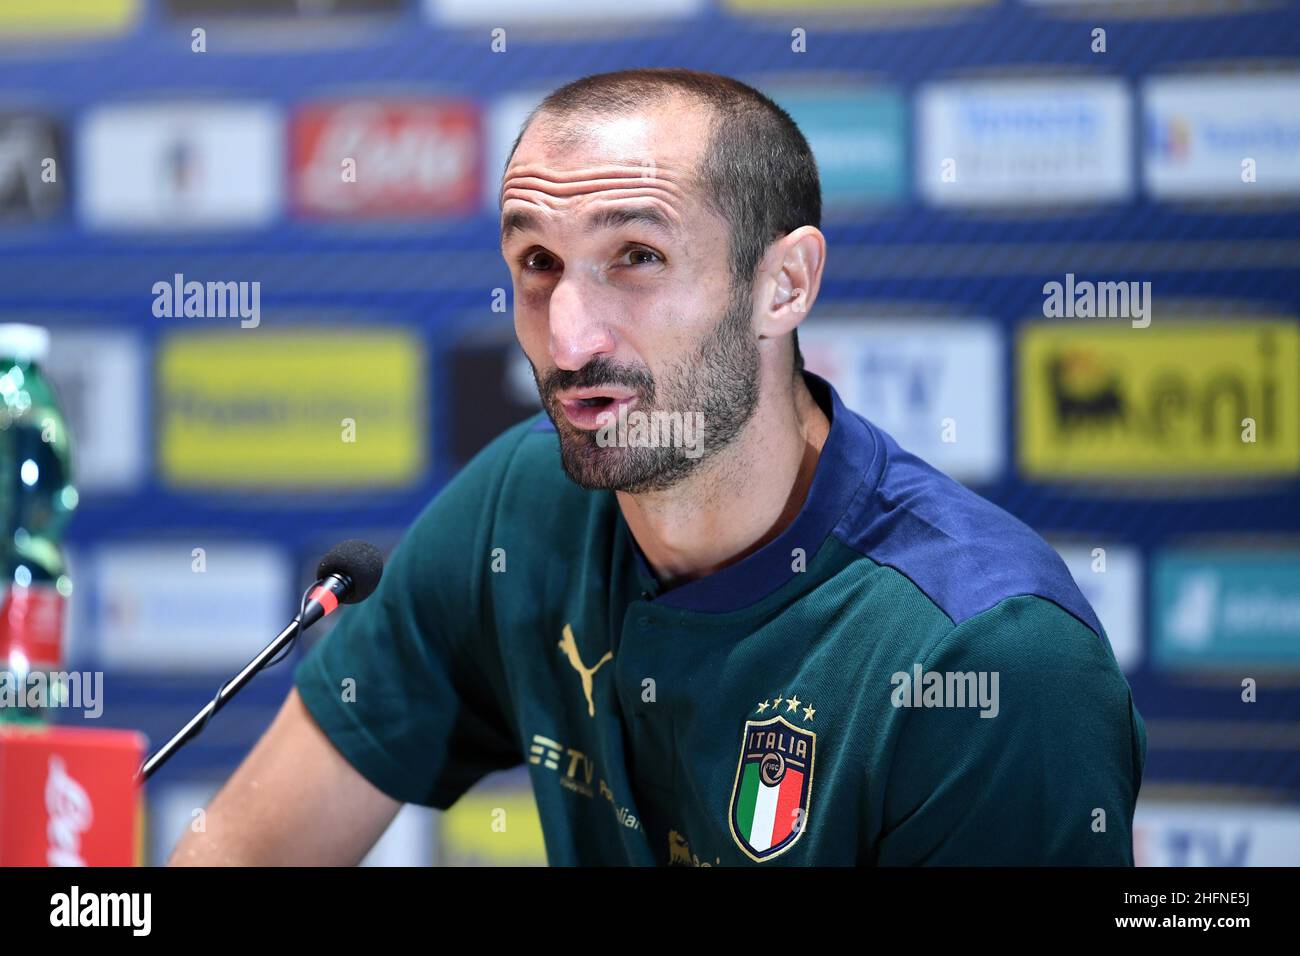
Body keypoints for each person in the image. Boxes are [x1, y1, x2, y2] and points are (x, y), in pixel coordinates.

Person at [169, 68, 1145, 867]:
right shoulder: (521, 510)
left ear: (784, 284)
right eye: (537, 263)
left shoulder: (987, 655)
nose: (568, 336)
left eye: (635, 255)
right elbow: (241, 853)